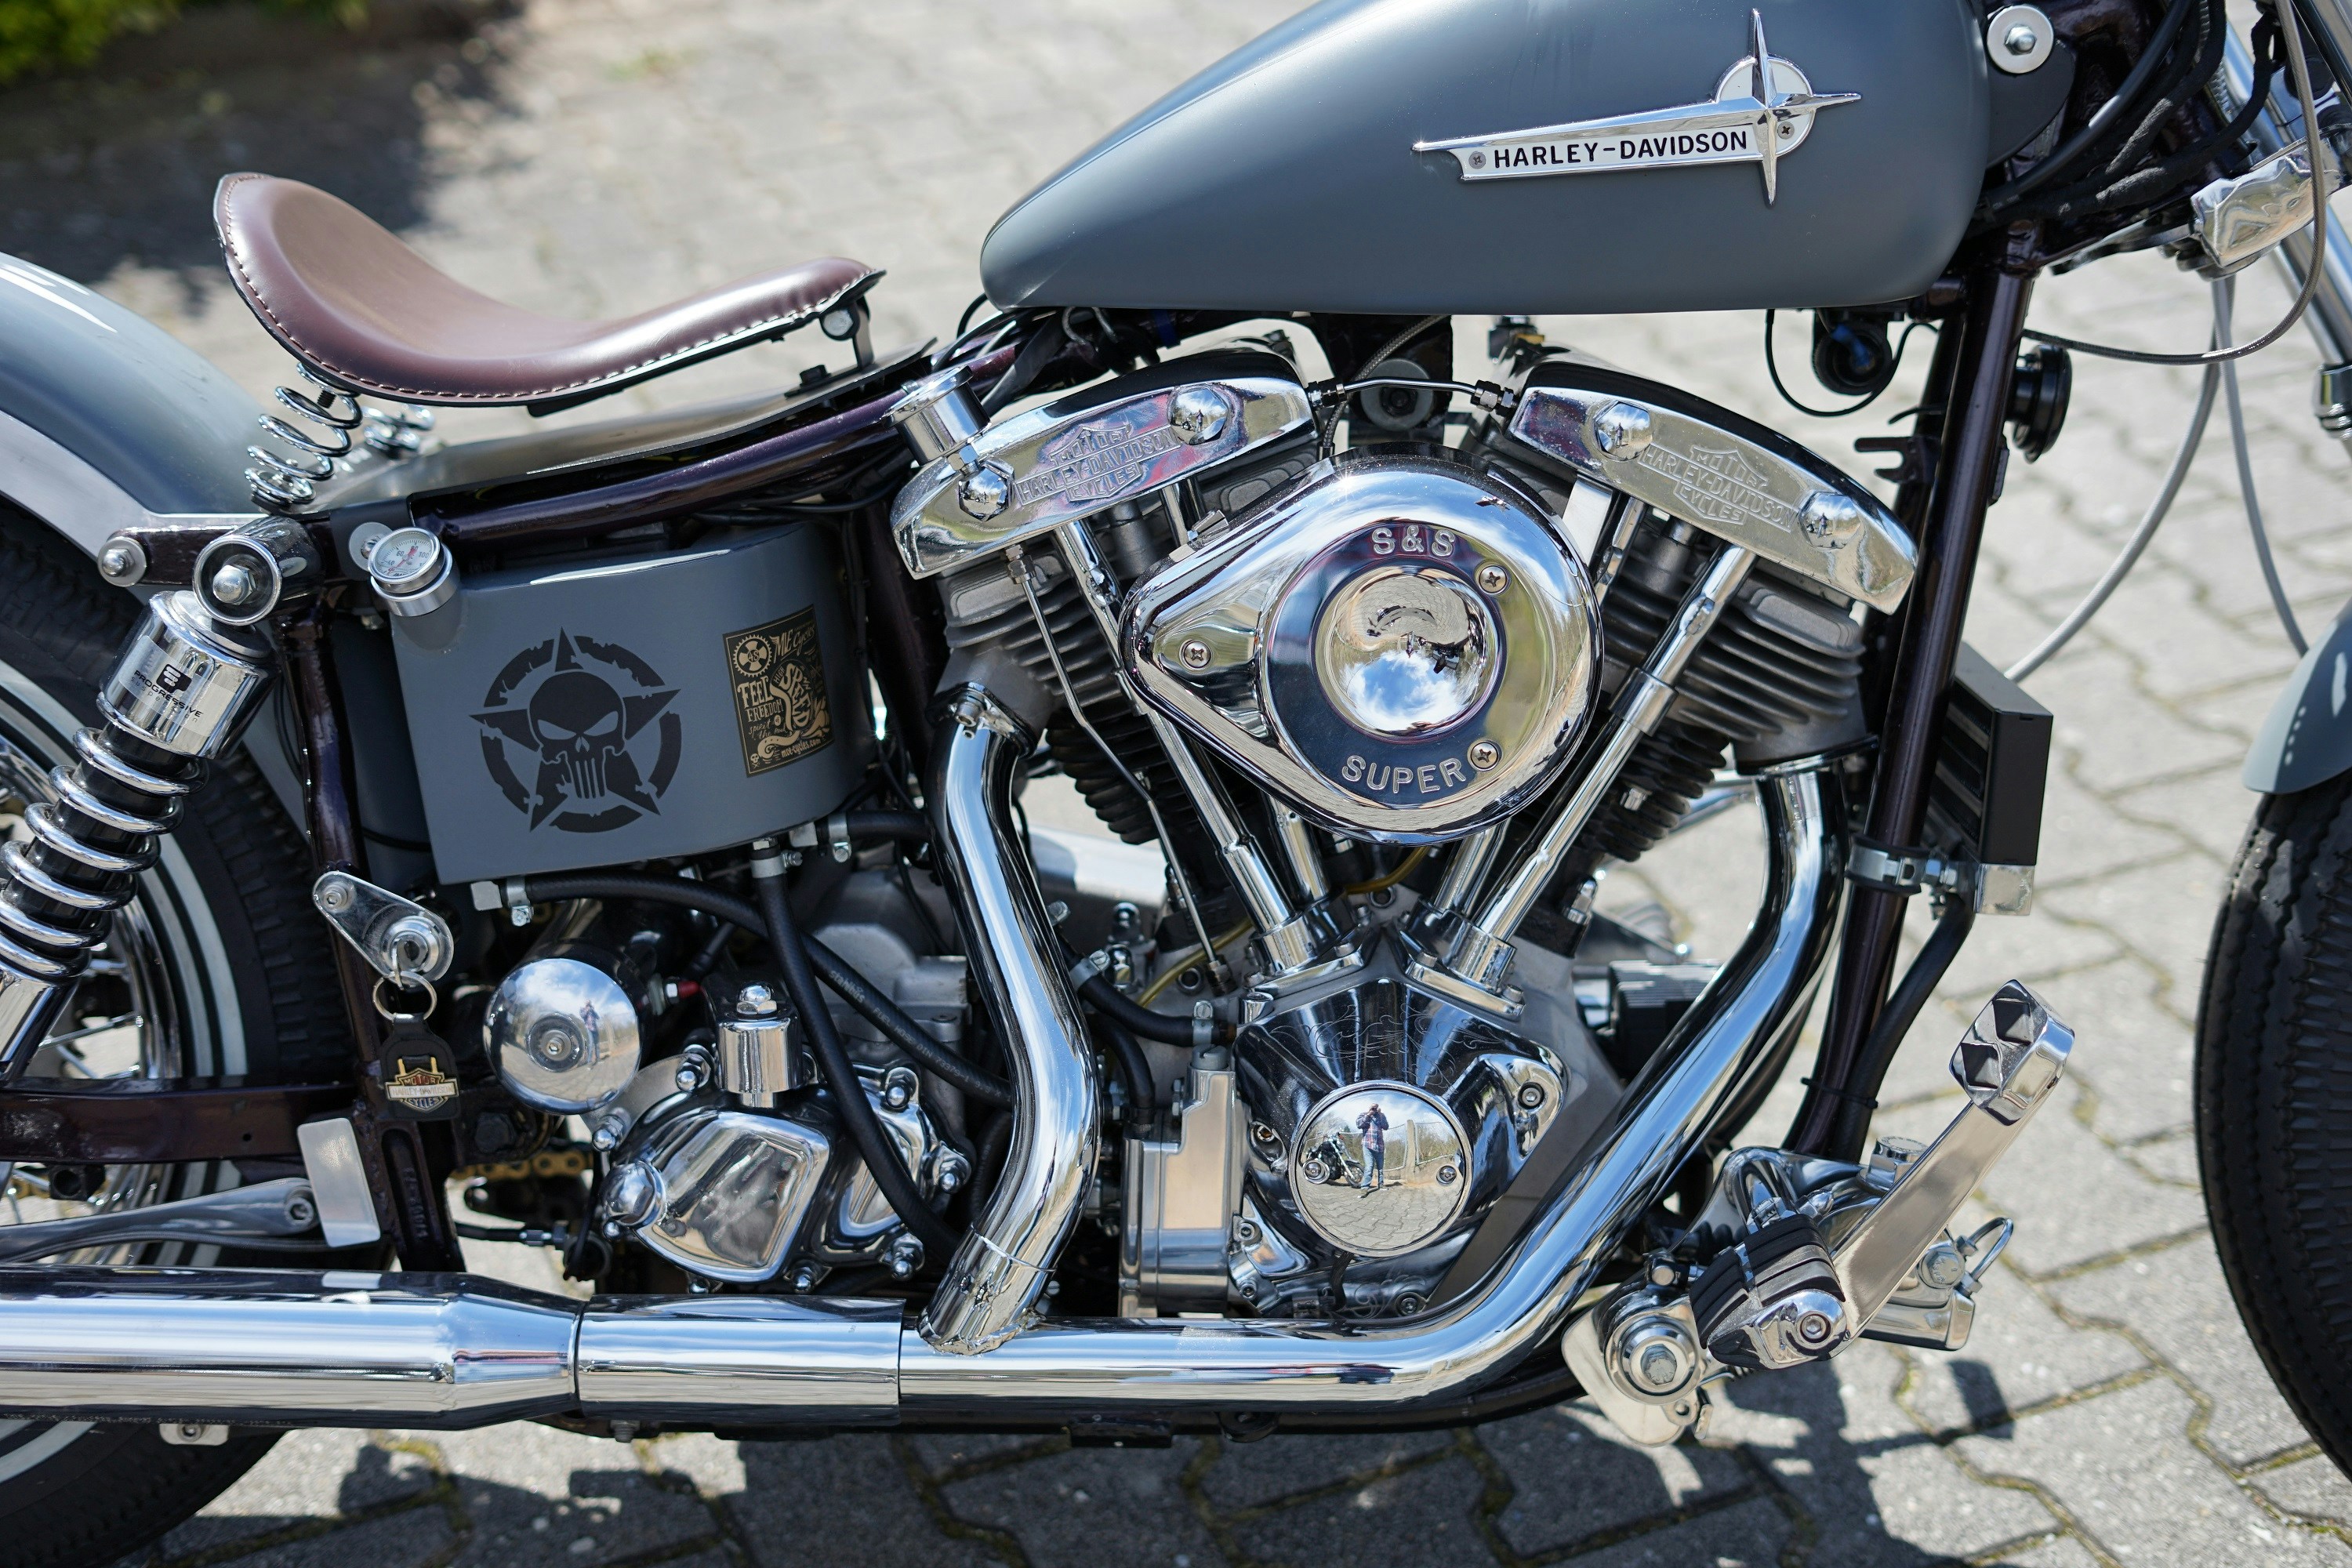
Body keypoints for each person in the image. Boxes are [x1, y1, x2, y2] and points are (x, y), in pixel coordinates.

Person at [1356, 1102, 1389, 1190]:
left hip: (1380, 1146)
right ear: (1370, 1108)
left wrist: (1380, 1115)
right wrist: (1369, 1114)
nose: (1374, 1109)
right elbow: (1359, 1125)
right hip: (1368, 1145)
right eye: (1373, 1108)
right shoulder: (1364, 1114)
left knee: (1380, 1168)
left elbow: (1386, 1127)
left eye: (1376, 1108)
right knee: (1369, 1167)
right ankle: (1364, 1187)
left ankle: (1381, 1185)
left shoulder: (1381, 1116)